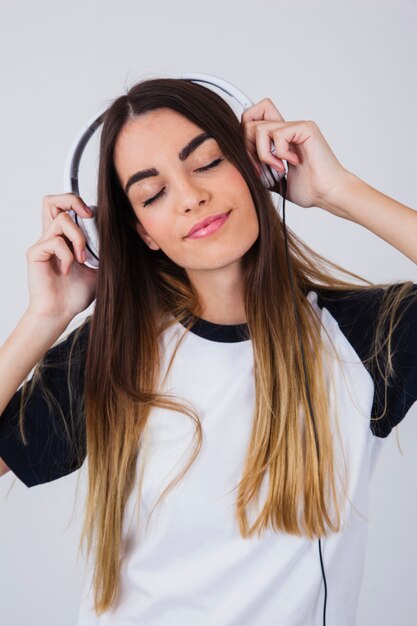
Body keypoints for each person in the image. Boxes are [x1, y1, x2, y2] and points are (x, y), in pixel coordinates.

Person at [0, 78, 416, 626]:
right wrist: (44, 319)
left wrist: (339, 190)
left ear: (256, 170)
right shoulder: (113, 353)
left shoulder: (362, 339)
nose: (192, 196)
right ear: (141, 232)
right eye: (153, 194)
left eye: (208, 162)